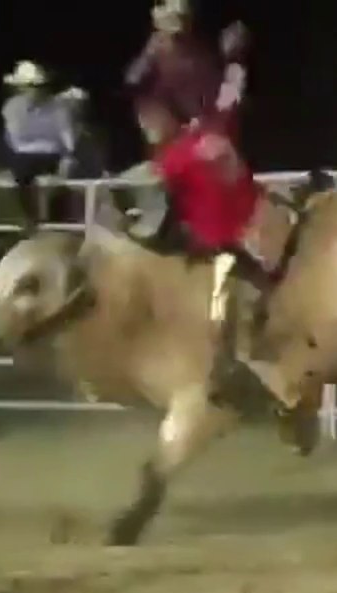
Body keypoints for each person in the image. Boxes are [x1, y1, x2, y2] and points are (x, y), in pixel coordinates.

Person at [131, 88, 279, 407]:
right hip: (236, 236)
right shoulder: (202, 138)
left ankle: (223, 373)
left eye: (152, 118)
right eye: (144, 120)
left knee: (225, 305)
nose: (148, 125)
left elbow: (157, 191)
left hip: (219, 241)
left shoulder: (176, 156)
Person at [125, 0, 249, 140]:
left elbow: (224, 94)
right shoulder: (156, 50)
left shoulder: (205, 50)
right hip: (179, 131)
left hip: (210, 124)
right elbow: (135, 81)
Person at [1, 60, 76, 230]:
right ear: (20, 88)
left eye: (36, 86)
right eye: (28, 86)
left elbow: (66, 138)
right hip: (24, 157)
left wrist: (66, 156)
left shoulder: (58, 108)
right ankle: (30, 220)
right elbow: (15, 140)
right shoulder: (12, 107)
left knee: (66, 174)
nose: (33, 90)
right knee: (21, 171)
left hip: (52, 156)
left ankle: (59, 221)